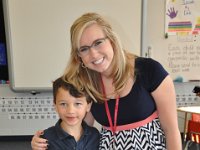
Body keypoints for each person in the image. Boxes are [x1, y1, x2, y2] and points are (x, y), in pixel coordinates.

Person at [31, 12, 182, 150]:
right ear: (79, 56)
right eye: (84, 49)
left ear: (112, 41)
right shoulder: (85, 82)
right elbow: (79, 128)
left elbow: (171, 130)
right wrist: (45, 140)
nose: (94, 54)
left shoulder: (150, 70)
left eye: (98, 43)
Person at [34, 77, 100, 150]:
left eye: (77, 104)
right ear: (55, 105)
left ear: (88, 106)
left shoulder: (95, 135)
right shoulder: (45, 138)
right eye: (63, 104)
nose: (70, 111)